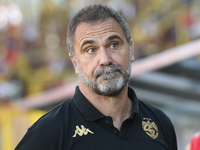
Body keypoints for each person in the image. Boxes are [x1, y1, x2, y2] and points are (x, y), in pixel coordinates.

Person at [15, 4, 177, 150]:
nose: (105, 60)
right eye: (90, 50)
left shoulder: (161, 123)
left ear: (131, 50)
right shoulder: (47, 134)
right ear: (75, 62)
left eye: (113, 45)